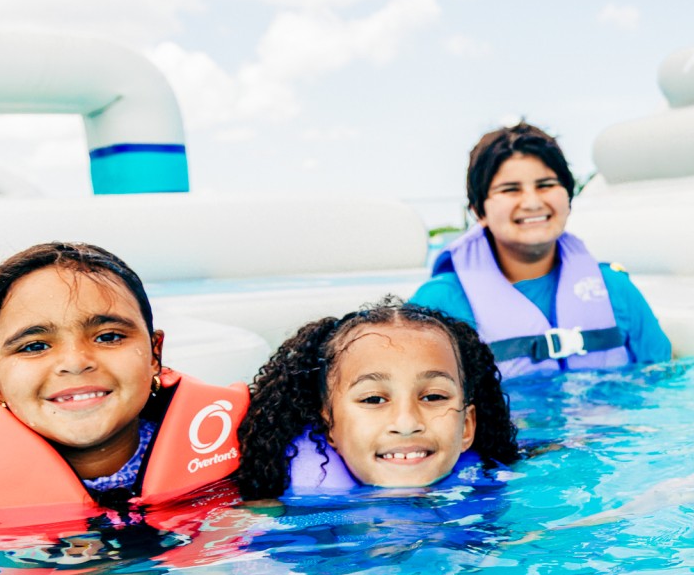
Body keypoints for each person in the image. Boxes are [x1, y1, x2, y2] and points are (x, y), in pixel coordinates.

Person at [0, 242, 248, 527]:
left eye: (108, 337)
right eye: (35, 346)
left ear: (154, 355)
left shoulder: (252, 451)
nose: (76, 362)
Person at [409, 122, 669, 378]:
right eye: (510, 190)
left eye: (545, 185)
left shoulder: (615, 289)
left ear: (568, 197)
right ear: (479, 211)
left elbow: (663, 380)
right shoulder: (438, 303)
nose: (532, 203)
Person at [236, 298, 520, 497]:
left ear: (467, 426)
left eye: (433, 396)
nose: (407, 422)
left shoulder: (503, 491)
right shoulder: (279, 516)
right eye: (374, 399)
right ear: (330, 425)